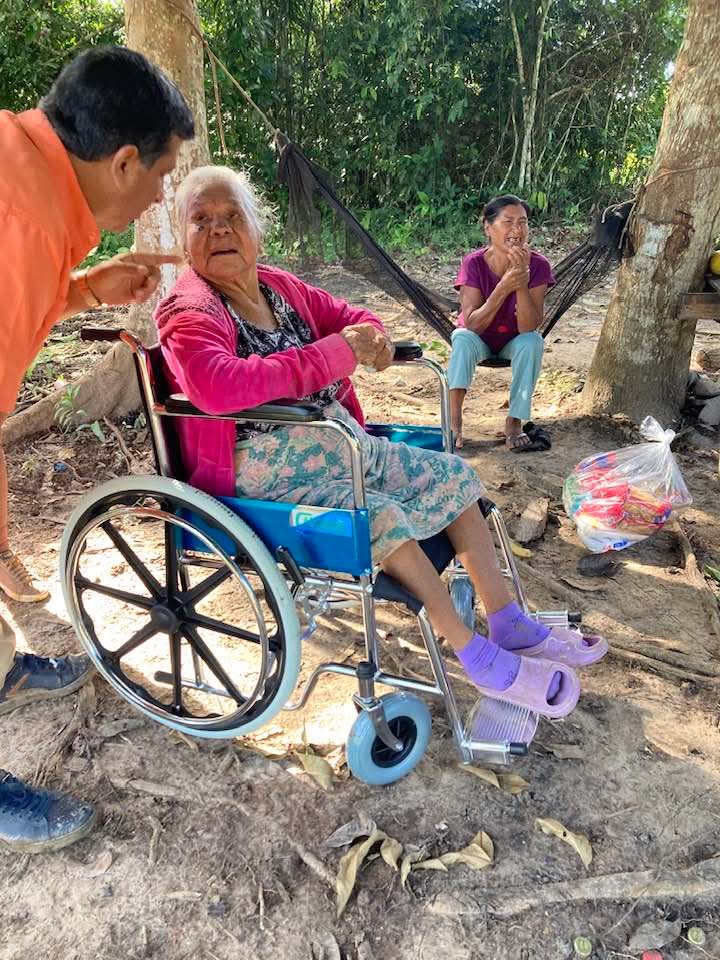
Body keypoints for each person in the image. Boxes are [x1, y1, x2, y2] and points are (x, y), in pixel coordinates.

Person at [155, 166, 608, 732]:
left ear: (256, 230)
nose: (219, 230)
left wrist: (370, 336)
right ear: (183, 239)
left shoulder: (279, 286)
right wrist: (332, 356)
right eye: (202, 221)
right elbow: (215, 386)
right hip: (265, 470)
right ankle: (475, 654)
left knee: (452, 475)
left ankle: (508, 618)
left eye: (232, 217)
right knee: (380, 515)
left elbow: (352, 319)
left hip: (342, 442)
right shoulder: (187, 308)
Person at [0, 46, 194, 853]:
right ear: (122, 161)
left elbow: (27, 286)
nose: (160, 192)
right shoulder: (25, 217)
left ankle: (3, 674)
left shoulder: (28, 169)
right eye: (161, 174)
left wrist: (87, 285)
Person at [447, 195, 555, 450]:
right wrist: (503, 286)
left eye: (523, 223)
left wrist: (520, 280)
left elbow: (528, 326)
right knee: (461, 339)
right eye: (508, 222)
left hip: (514, 340)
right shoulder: (473, 263)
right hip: (479, 338)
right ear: (488, 227)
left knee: (532, 342)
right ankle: (453, 423)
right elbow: (472, 324)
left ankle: (515, 421)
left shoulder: (538, 265)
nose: (517, 230)